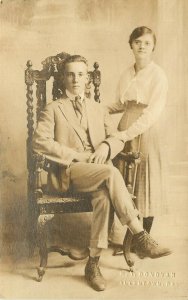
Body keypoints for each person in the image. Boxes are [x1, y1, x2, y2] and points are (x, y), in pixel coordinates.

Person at [33, 54, 171, 292]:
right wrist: (75, 155)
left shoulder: (98, 109)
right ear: (63, 78)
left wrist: (107, 146)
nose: (76, 79)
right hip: (69, 172)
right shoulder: (53, 108)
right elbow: (39, 142)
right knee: (110, 172)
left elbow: (117, 137)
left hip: (97, 174)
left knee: (104, 196)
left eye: (80, 74)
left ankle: (93, 264)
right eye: (70, 74)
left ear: (87, 79)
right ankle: (139, 234)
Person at [107, 26, 169, 253]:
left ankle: (144, 242)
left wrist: (125, 134)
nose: (142, 46)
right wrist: (98, 109)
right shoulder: (127, 72)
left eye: (147, 43)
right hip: (125, 126)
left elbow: (152, 113)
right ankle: (129, 238)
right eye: (138, 42)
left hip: (146, 131)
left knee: (144, 186)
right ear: (131, 45)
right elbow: (122, 104)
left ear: (153, 48)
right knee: (124, 185)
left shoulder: (158, 75)